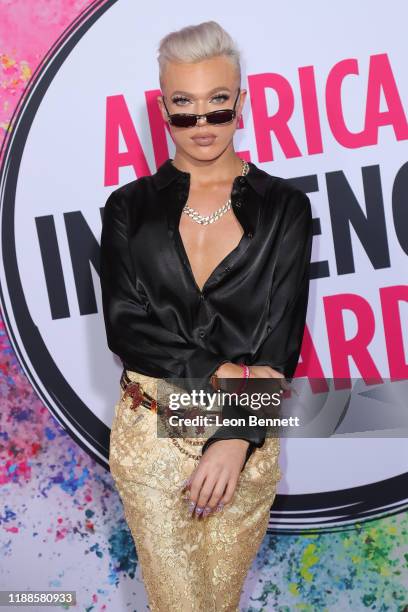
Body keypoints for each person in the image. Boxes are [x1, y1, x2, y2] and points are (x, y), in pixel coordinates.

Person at [100, 20, 313, 612]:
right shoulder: (128, 208)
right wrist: (222, 378)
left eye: (218, 106)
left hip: (246, 443)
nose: (201, 125)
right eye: (184, 108)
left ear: (241, 103)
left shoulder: (286, 209)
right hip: (152, 433)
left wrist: (237, 437)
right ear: (163, 110)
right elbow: (127, 326)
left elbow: (280, 341)